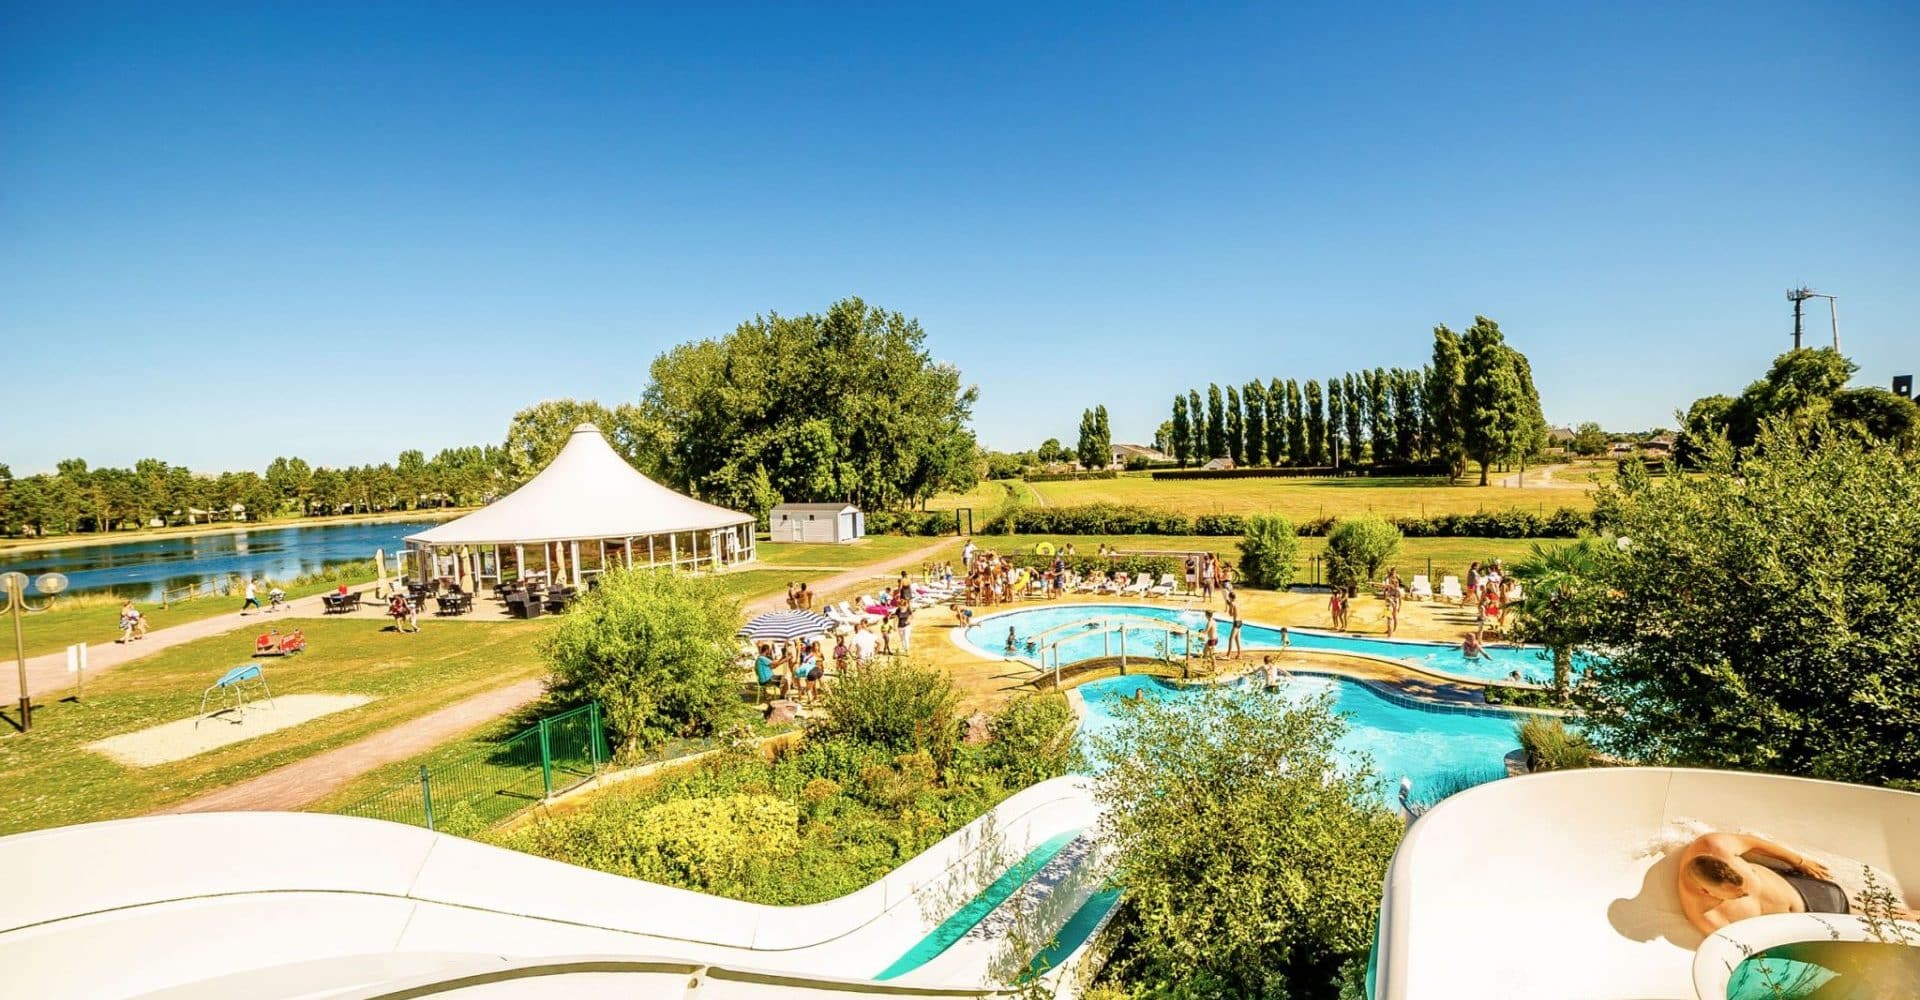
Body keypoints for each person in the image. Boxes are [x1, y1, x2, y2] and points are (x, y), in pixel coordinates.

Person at [1676, 832, 1919, 935]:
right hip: (1807, 920)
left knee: (1894, 914)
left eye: (1744, 885)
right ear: (1705, 890)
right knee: (1890, 920)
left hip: (1803, 888)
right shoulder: (1706, 918)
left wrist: (1799, 860)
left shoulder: (1713, 845)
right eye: (1737, 896)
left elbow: (1752, 843)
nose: (1746, 893)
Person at [1223, 584, 1244, 660]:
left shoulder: (1232, 603)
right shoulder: (1238, 603)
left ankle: (1228, 655)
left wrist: (1229, 606)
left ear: (1230, 597)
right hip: (1240, 622)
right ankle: (1239, 655)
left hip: (1236, 623)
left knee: (1230, 639)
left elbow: (1231, 614)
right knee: (1237, 639)